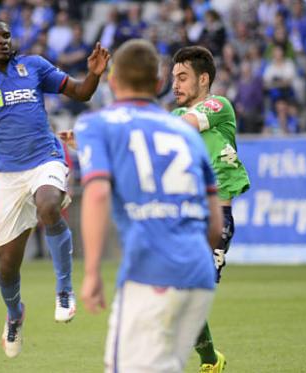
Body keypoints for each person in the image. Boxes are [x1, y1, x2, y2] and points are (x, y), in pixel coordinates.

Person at [0, 16, 109, 358]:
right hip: (8, 177)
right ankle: (15, 313)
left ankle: (64, 289)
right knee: (6, 267)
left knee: (48, 205)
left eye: (7, 35)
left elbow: (81, 92)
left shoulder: (34, 66)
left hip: (46, 158)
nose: (3, 41)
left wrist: (95, 74)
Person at [76, 39, 223, 373]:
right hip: (198, 275)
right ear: (158, 85)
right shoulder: (184, 131)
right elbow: (214, 224)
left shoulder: (96, 124)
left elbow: (97, 194)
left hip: (150, 273)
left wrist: (91, 273)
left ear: (112, 82)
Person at [171, 45, 251, 372]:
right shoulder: (175, 118)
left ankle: (206, 361)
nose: (174, 84)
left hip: (216, 220)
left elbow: (185, 125)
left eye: (182, 77)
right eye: (173, 77)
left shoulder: (218, 106)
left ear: (203, 79)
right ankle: (210, 360)